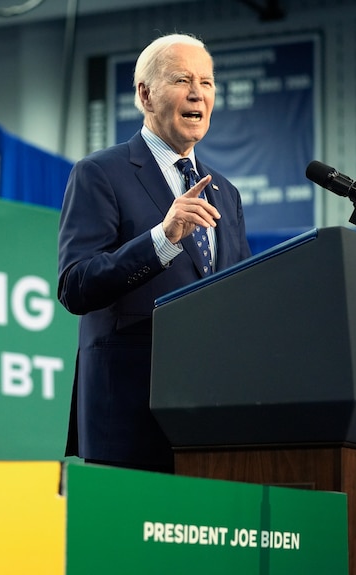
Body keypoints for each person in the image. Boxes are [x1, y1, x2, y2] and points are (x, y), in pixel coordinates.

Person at [57, 33, 252, 473]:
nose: (198, 93)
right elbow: (76, 286)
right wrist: (161, 238)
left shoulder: (227, 193)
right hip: (128, 418)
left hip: (212, 421)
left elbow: (240, 295)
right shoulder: (99, 174)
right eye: (183, 79)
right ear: (145, 93)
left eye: (207, 81)